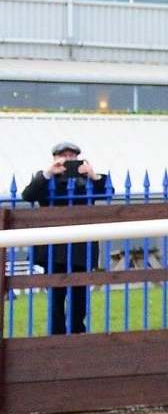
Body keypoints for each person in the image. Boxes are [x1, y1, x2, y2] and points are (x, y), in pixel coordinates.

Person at [21, 141, 113, 336]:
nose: (68, 160)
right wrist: (48, 173)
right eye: (63, 156)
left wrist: (93, 175)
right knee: (56, 298)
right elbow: (28, 195)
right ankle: (57, 336)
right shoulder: (45, 180)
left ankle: (78, 335)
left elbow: (108, 193)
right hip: (54, 251)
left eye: (72, 156)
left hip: (81, 249)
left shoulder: (87, 181)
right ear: (55, 159)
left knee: (79, 298)